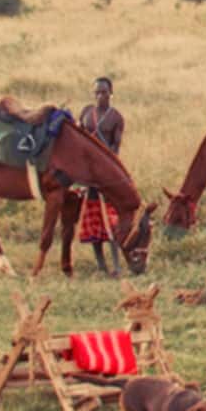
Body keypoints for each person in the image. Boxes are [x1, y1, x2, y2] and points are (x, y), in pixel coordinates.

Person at [78, 77, 125, 276]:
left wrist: (103, 168)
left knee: (111, 221)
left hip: (106, 174)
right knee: (94, 221)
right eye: (96, 92)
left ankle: (116, 266)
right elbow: (78, 141)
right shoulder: (86, 113)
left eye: (104, 92)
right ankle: (101, 266)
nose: (100, 96)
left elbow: (115, 148)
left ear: (111, 93)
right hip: (88, 175)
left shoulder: (116, 118)